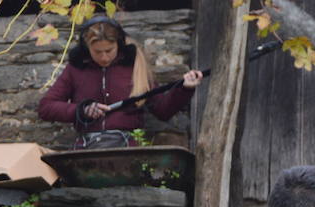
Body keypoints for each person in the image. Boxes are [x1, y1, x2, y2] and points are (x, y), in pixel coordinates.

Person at [37, 15, 203, 148]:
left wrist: (185, 89)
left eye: (109, 50)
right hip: (87, 148)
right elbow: (45, 107)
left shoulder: (135, 67)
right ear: (87, 48)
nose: (104, 57)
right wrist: (82, 110)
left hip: (128, 149)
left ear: (119, 44)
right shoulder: (76, 69)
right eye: (97, 52)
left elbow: (162, 110)